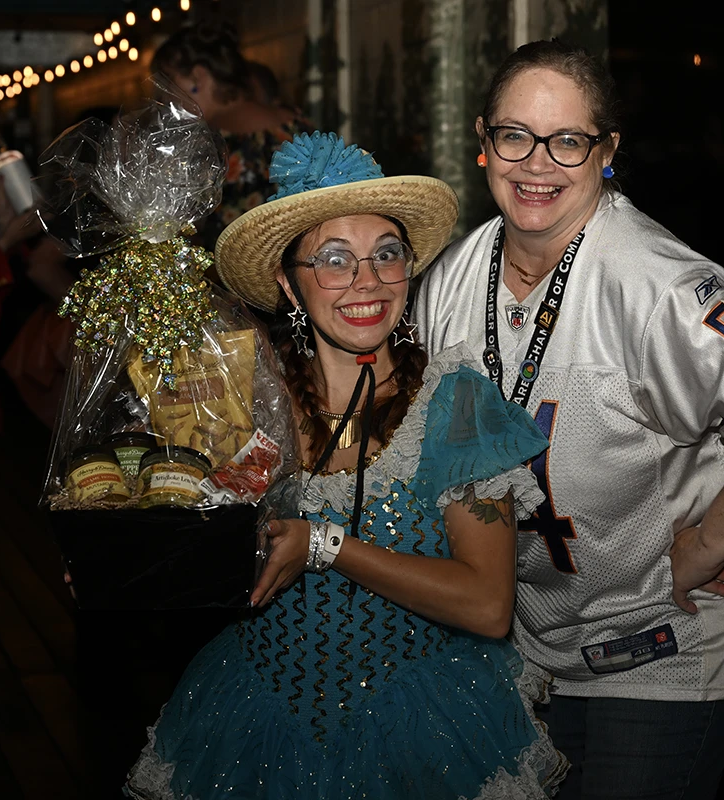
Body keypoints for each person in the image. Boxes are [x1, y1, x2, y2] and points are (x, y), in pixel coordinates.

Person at [413, 39, 724, 800]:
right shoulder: (450, 281)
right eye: (515, 136)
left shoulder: (655, 282)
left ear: (607, 151)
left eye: (567, 141)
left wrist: (708, 543)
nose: (536, 164)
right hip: (541, 637)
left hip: (672, 630)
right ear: (483, 141)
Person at [124, 130, 567, 799]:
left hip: (420, 730)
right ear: (288, 285)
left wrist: (326, 546)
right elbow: (198, 550)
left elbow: (487, 606)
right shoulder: (241, 402)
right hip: (256, 725)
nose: (368, 280)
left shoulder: (456, 404)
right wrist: (129, 550)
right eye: (335, 259)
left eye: (386, 254)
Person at [151, 21, 313, 252]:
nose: (166, 99)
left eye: (168, 84)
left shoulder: (208, 144)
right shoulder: (295, 122)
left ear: (198, 77)